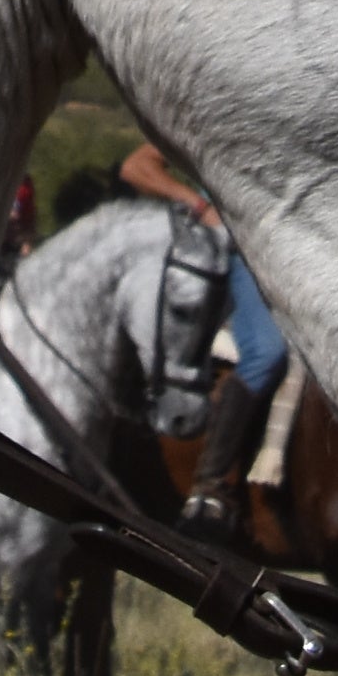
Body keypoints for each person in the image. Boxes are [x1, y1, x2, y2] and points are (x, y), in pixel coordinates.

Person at [114, 135, 296, 525]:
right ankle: (209, 484)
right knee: (267, 352)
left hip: (287, 258)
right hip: (226, 252)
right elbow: (135, 167)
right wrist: (198, 204)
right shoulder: (216, 117)